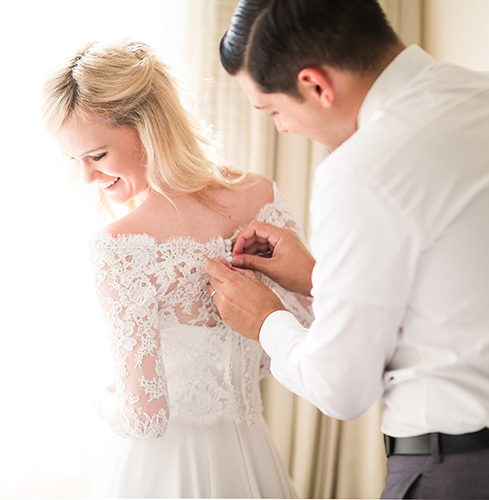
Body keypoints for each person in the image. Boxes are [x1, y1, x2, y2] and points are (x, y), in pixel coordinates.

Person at [204, 0, 489, 498]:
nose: (282, 128)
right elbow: (455, 288)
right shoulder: (477, 96)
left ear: (315, 85)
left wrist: (266, 320)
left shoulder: (361, 169)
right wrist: (320, 278)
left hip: (457, 470)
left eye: (273, 110)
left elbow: (342, 388)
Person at [41, 39, 313, 498]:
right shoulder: (261, 195)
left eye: (98, 155)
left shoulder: (119, 246)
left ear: (150, 128)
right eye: (75, 160)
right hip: (249, 452)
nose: (87, 176)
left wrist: (99, 397)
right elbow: (298, 334)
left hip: (162, 472)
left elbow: (145, 418)